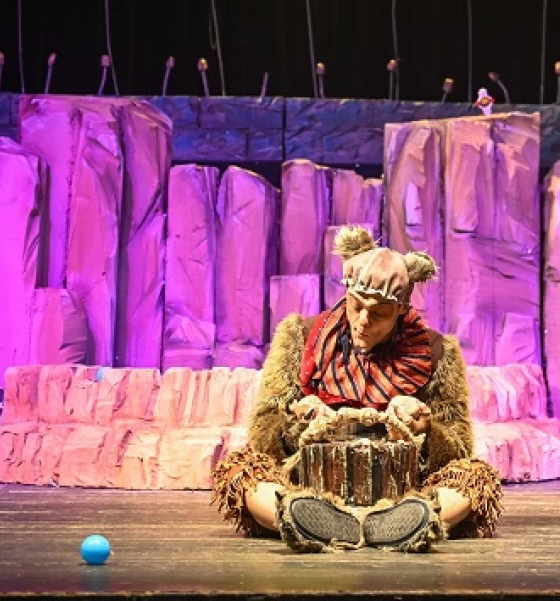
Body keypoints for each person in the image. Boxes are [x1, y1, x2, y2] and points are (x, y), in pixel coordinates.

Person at [212, 226, 502, 552]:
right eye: (356, 306)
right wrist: (295, 425)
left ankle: (405, 523)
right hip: (314, 485)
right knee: (240, 469)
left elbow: (459, 447)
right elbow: (263, 431)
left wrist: (426, 430)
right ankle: (304, 519)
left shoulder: (436, 352)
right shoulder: (300, 337)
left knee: (475, 476)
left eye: (379, 313)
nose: (363, 320)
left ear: (401, 309)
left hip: (401, 490)